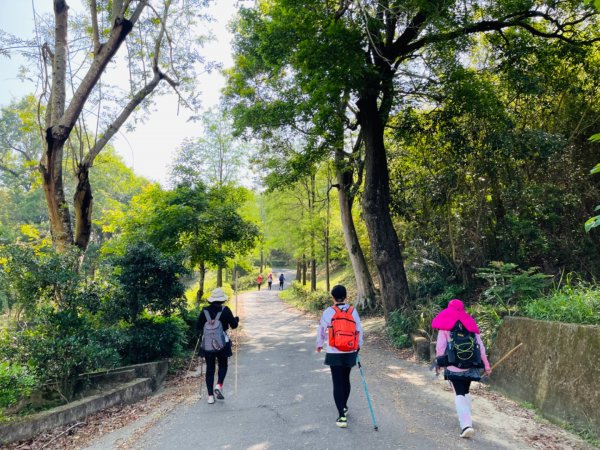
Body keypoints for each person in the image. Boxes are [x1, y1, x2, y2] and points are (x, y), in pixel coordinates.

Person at [432, 299, 491, 438]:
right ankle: (468, 418)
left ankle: (466, 425)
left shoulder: (445, 326)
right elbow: (480, 347)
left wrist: (439, 364)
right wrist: (486, 365)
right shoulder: (470, 323)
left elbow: (440, 348)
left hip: (453, 366)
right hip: (470, 364)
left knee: (458, 393)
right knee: (465, 391)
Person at [316, 285, 363, 428]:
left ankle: (341, 416)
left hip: (334, 351)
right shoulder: (353, 311)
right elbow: (359, 330)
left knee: (337, 382)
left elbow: (321, 330)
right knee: (346, 379)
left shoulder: (328, 312)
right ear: (346, 296)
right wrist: (358, 346)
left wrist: (319, 344)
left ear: (333, 297)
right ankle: (345, 406)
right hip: (350, 350)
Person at [197, 288, 239, 404]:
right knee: (223, 365)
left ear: (211, 299)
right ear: (222, 300)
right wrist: (236, 319)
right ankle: (219, 385)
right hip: (222, 344)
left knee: (210, 369)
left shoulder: (204, 311)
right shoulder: (225, 310)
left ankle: (210, 397)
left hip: (207, 344)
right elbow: (234, 325)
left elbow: (198, 326)